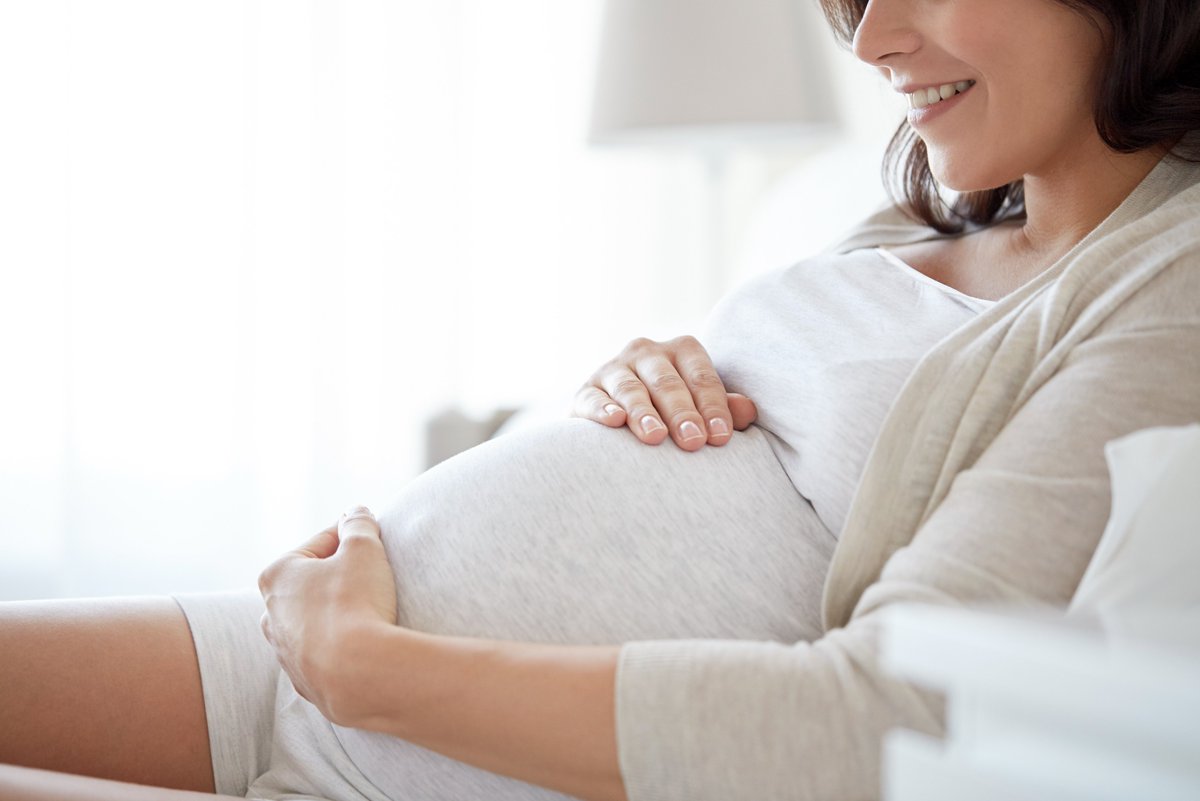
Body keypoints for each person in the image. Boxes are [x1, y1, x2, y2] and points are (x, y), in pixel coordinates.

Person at [2, 0, 1198, 799]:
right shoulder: (941, 216)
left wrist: (367, 665)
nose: (874, 35)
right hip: (284, 672)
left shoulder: (1171, 284)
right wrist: (626, 384)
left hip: (404, 743)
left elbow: (890, 720)